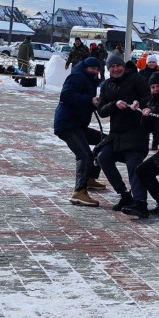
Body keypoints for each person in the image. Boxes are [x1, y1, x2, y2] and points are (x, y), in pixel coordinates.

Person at [96, 53, 151, 213]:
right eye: (112, 67)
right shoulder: (107, 85)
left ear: (123, 66)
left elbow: (149, 98)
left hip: (136, 132)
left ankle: (140, 203)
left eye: (118, 65)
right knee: (103, 157)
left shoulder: (137, 79)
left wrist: (139, 103)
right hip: (116, 134)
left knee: (134, 165)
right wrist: (114, 105)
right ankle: (124, 195)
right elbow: (101, 110)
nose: (116, 69)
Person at [54, 56, 106, 207]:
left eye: (97, 69)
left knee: (104, 140)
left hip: (78, 125)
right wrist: (89, 100)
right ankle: (79, 191)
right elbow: (66, 95)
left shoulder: (88, 80)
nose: (95, 71)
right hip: (67, 125)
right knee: (84, 154)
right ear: (85, 67)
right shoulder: (77, 77)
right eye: (92, 68)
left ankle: (89, 177)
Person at [125, 70, 159, 218]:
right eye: (153, 87)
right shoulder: (152, 101)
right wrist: (146, 115)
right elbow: (145, 129)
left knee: (144, 170)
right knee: (143, 170)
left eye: (158, 86)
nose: (155, 89)